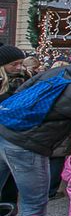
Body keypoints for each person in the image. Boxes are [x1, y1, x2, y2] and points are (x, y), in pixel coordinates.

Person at [0, 61, 71, 216]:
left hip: (5, 130)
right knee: (34, 202)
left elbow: (24, 89)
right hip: (27, 143)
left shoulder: (59, 71)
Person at [0, 45, 28, 206]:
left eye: (21, 63)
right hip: (5, 137)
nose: (18, 68)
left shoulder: (24, 81)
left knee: (10, 189)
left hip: (15, 140)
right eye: (14, 64)